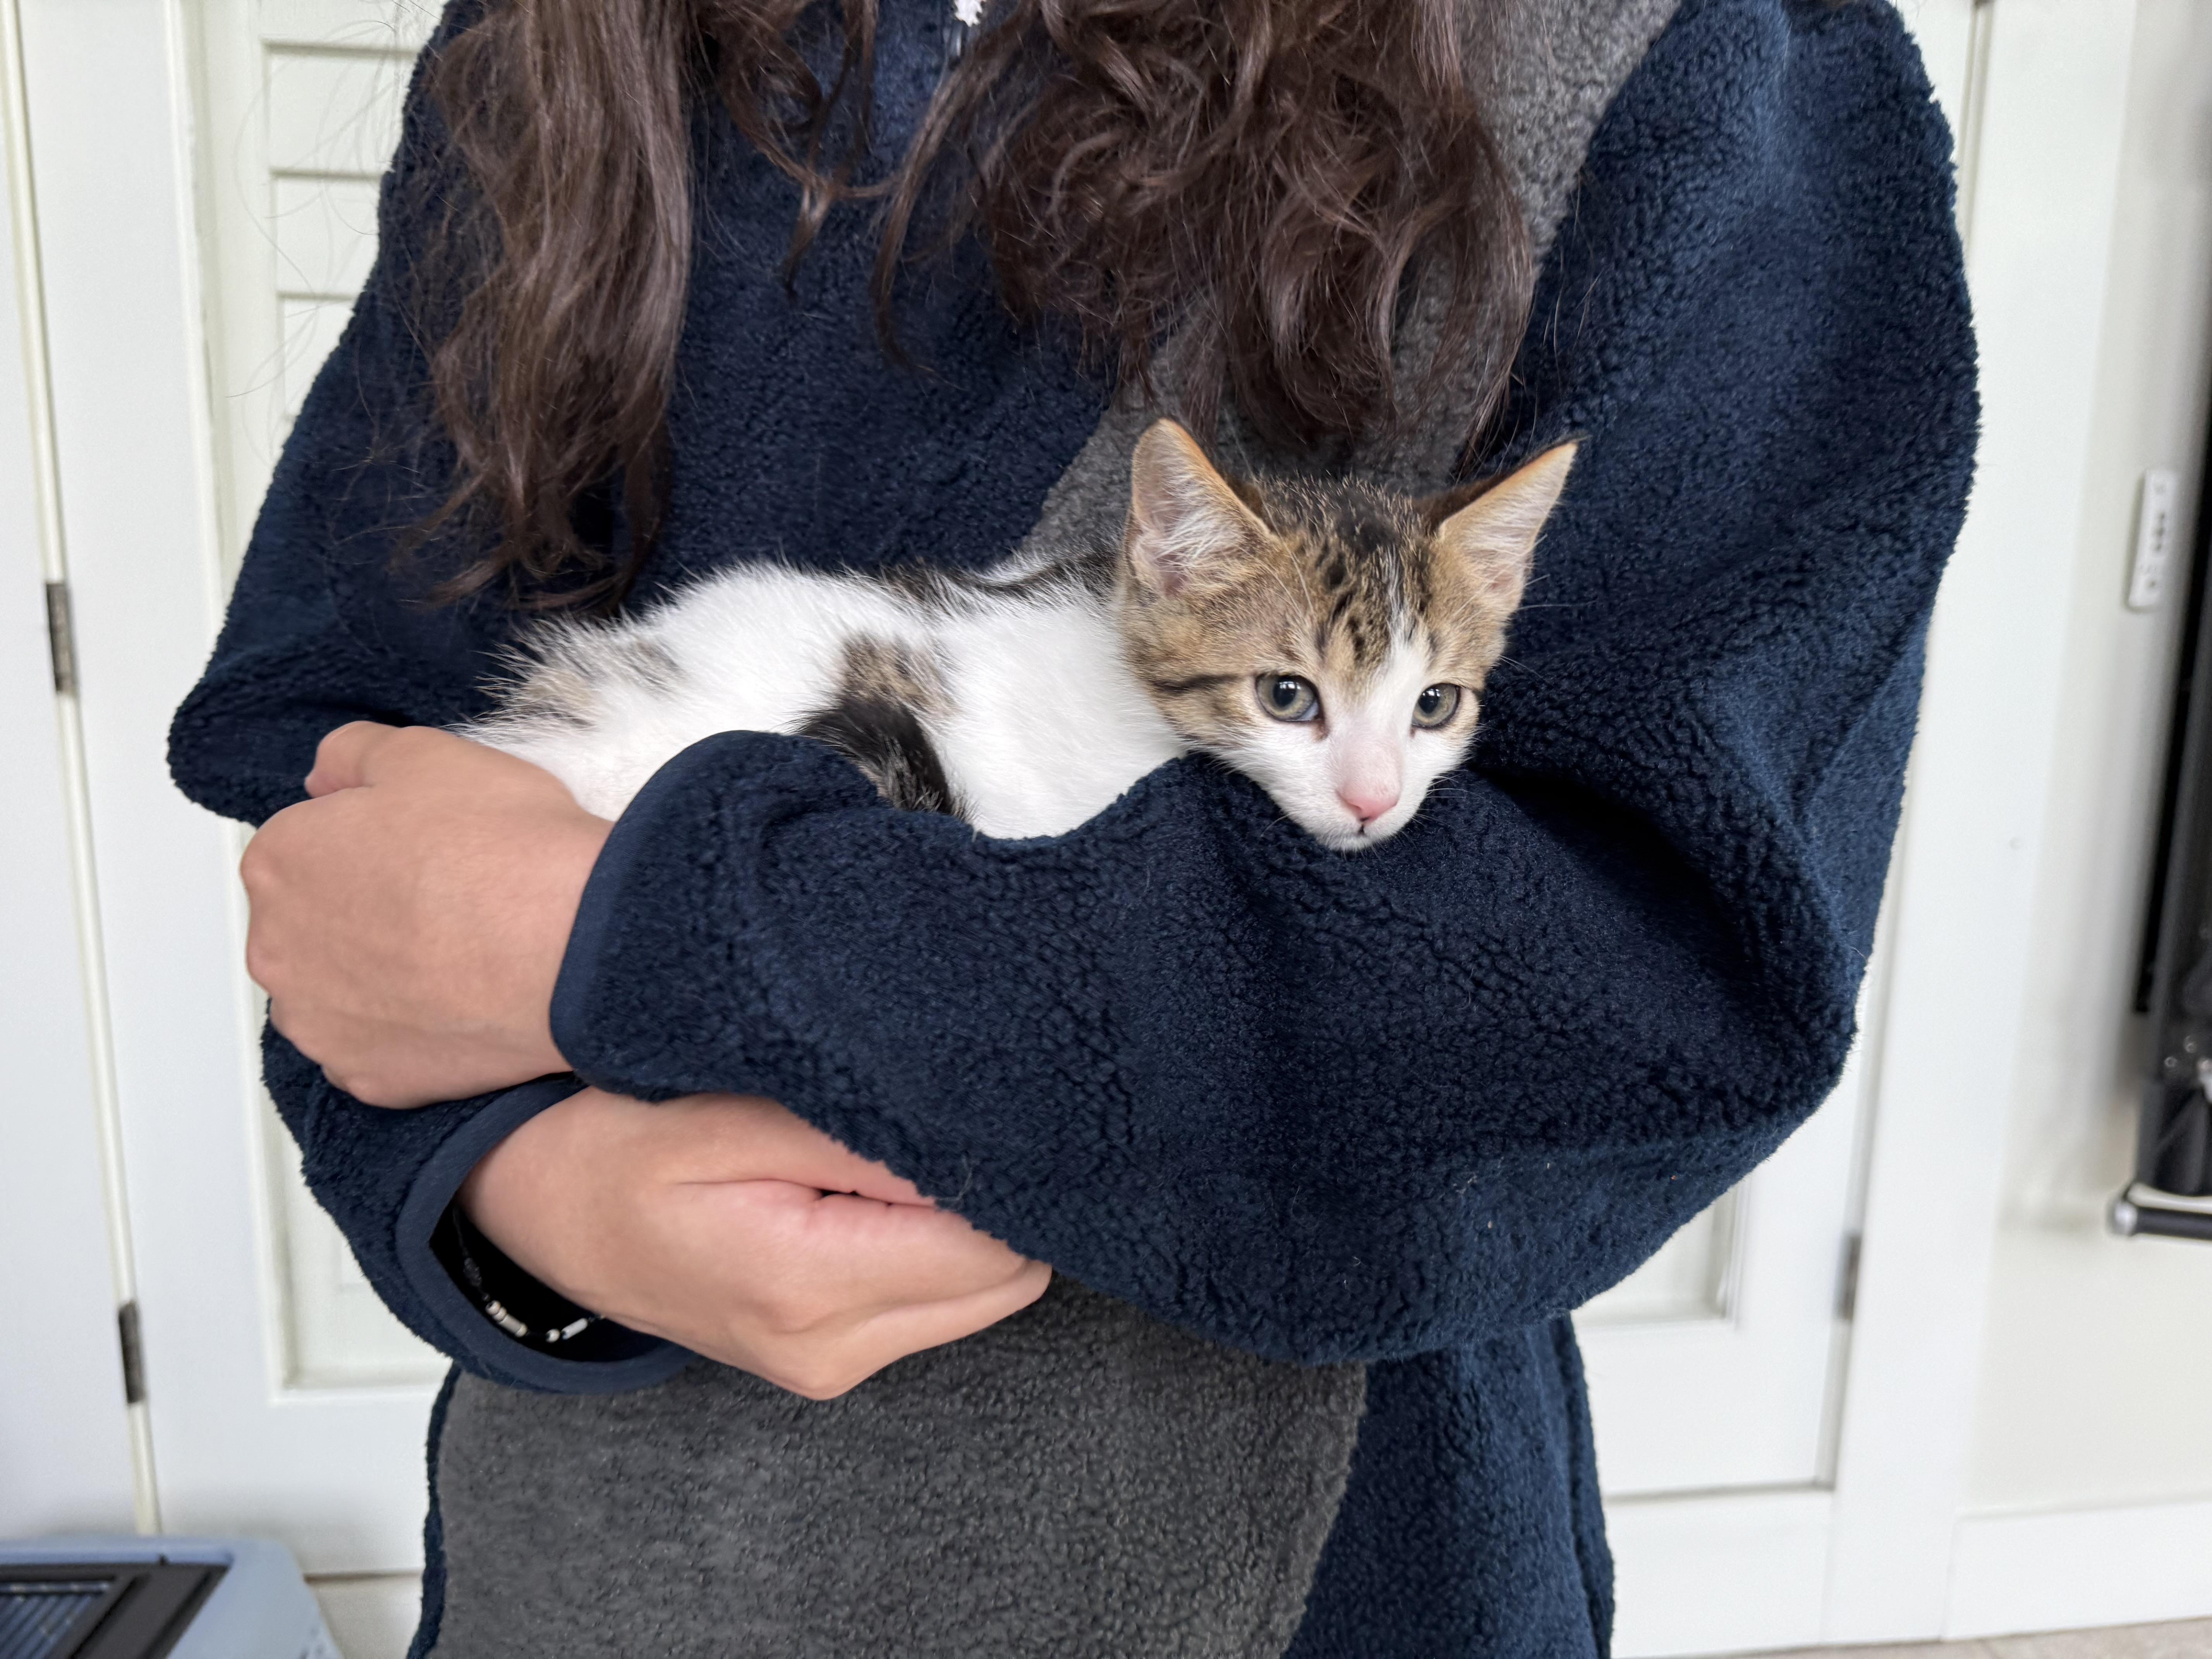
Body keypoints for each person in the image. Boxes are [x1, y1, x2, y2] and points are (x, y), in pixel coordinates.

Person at [169, 0, 1977, 1654]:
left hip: (1301, 1578)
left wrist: (644, 942)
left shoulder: (1699, 60)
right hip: (598, 1561)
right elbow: (331, 807)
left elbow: (1651, 982)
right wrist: (505, 1203)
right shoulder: (562, 47)